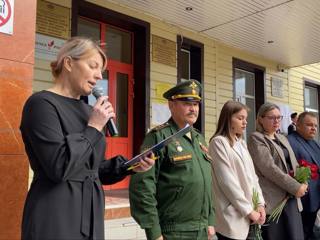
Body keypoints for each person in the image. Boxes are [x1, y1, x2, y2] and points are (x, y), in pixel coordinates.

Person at [20, 37, 154, 240]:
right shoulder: (41, 104)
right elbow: (59, 166)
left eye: (101, 71)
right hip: (55, 214)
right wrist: (93, 127)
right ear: (68, 63)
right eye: (93, 66)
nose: (99, 76)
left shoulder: (89, 111)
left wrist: (130, 166)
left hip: (89, 214)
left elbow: (93, 169)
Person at [129, 80, 215, 240]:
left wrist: (210, 220)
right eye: (186, 103)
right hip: (173, 231)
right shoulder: (158, 137)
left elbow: (207, 182)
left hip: (202, 230)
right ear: (171, 104)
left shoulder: (199, 139)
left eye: (196, 104)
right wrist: (154, 233)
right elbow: (142, 187)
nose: (193, 109)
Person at [248, 102, 307, 240]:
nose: (276, 121)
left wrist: (304, 181)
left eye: (279, 117)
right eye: (271, 117)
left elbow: (294, 163)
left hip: (291, 199)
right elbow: (269, 168)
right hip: (274, 200)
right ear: (260, 119)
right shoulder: (256, 138)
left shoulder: (282, 137)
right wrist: (295, 186)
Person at [209, 100, 266, 240]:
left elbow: (253, 177)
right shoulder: (218, 142)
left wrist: (260, 204)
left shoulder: (241, 143)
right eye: (240, 118)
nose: (245, 122)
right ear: (228, 119)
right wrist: (248, 211)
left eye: (245, 119)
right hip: (234, 216)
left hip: (252, 214)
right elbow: (228, 182)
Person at [288, 112, 320, 240]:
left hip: (316, 196)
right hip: (303, 197)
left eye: (316, 126)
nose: (314, 128)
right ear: (298, 125)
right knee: (303, 232)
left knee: (311, 230)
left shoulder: (314, 142)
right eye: (309, 125)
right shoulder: (289, 141)